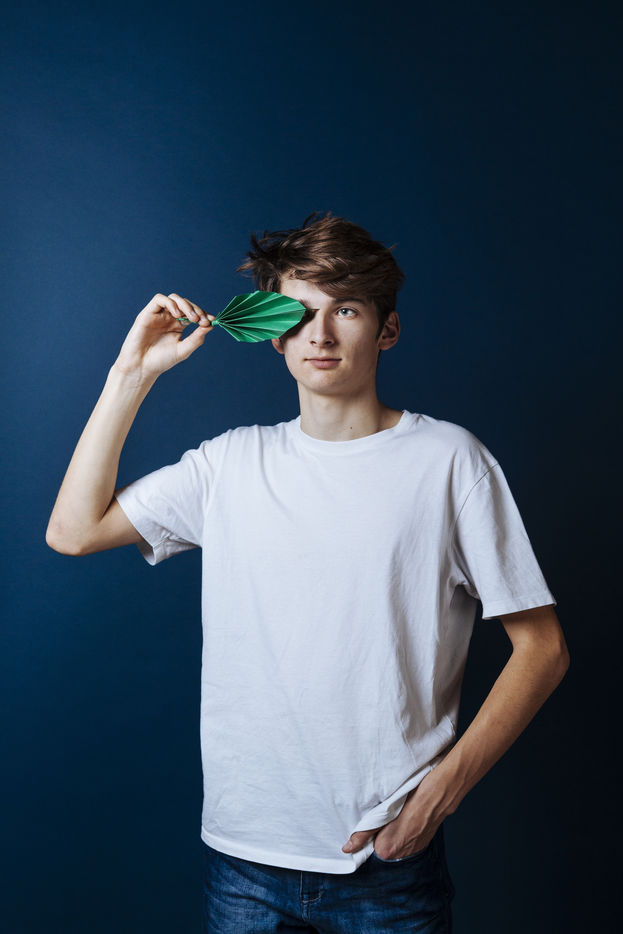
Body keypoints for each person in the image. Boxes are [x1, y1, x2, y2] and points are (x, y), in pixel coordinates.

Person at [46, 211, 570, 933]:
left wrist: (440, 795)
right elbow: (72, 532)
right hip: (243, 862)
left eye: (345, 310)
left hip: (386, 862)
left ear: (387, 329)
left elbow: (542, 647)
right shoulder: (229, 464)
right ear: (271, 332)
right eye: (297, 313)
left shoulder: (450, 461)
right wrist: (130, 375)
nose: (319, 335)